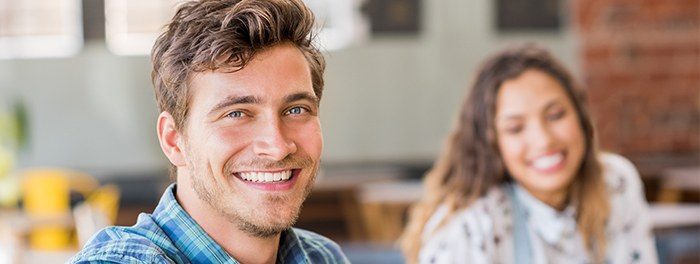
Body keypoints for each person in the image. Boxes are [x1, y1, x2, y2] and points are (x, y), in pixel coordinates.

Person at [71, 0, 348, 263]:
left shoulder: (323, 257)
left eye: (296, 110)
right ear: (173, 140)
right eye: (236, 114)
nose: (277, 146)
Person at [400, 44, 657, 264]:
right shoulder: (470, 228)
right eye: (515, 128)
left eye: (555, 115)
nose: (544, 140)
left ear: (580, 115)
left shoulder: (615, 183)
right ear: (491, 143)